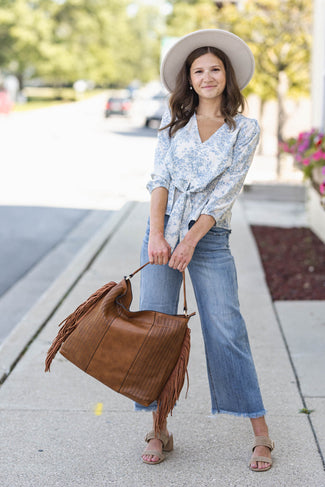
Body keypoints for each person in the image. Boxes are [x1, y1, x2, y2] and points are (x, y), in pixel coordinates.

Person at [136, 29, 274, 472]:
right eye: (199, 71)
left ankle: (261, 434)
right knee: (159, 329)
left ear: (227, 77)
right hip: (162, 236)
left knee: (225, 328)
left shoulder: (243, 129)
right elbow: (158, 181)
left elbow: (226, 193)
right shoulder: (171, 124)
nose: (208, 76)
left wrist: (192, 240)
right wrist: (157, 235)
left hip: (209, 239)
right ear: (189, 80)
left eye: (215, 69)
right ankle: (159, 428)